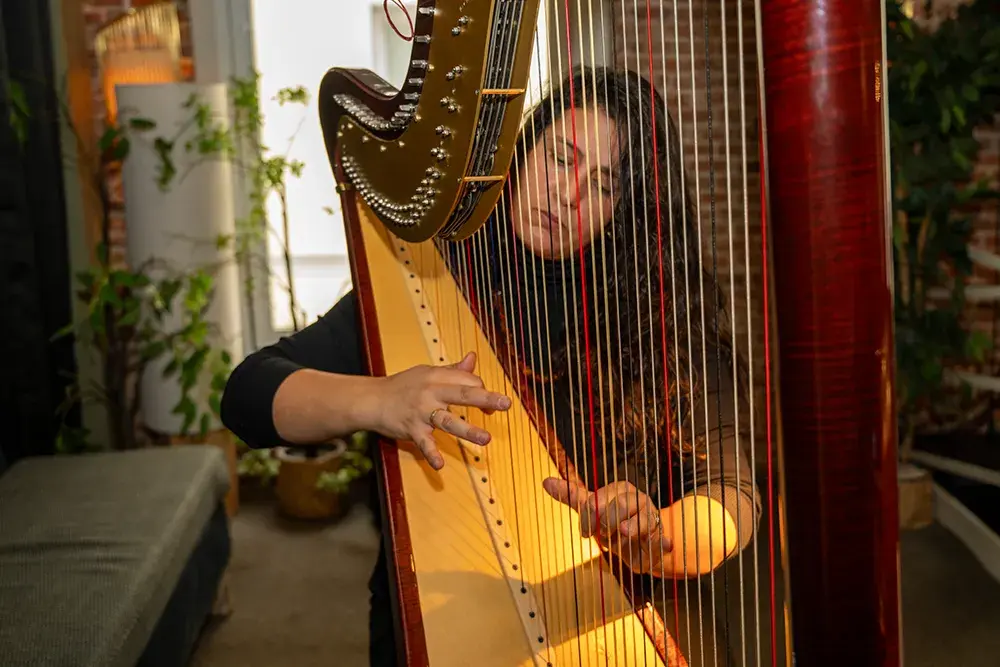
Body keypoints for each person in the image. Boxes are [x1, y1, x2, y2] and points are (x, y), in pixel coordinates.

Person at [221, 66, 760, 666]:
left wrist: (658, 537)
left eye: (604, 186)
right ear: (521, 153)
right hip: (431, 602)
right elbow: (247, 396)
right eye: (561, 158)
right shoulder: (433, 274)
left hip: (605, 609)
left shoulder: (658, 313)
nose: (569, 194)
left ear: (627, 212)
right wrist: (379, 399)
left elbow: (733, 498)